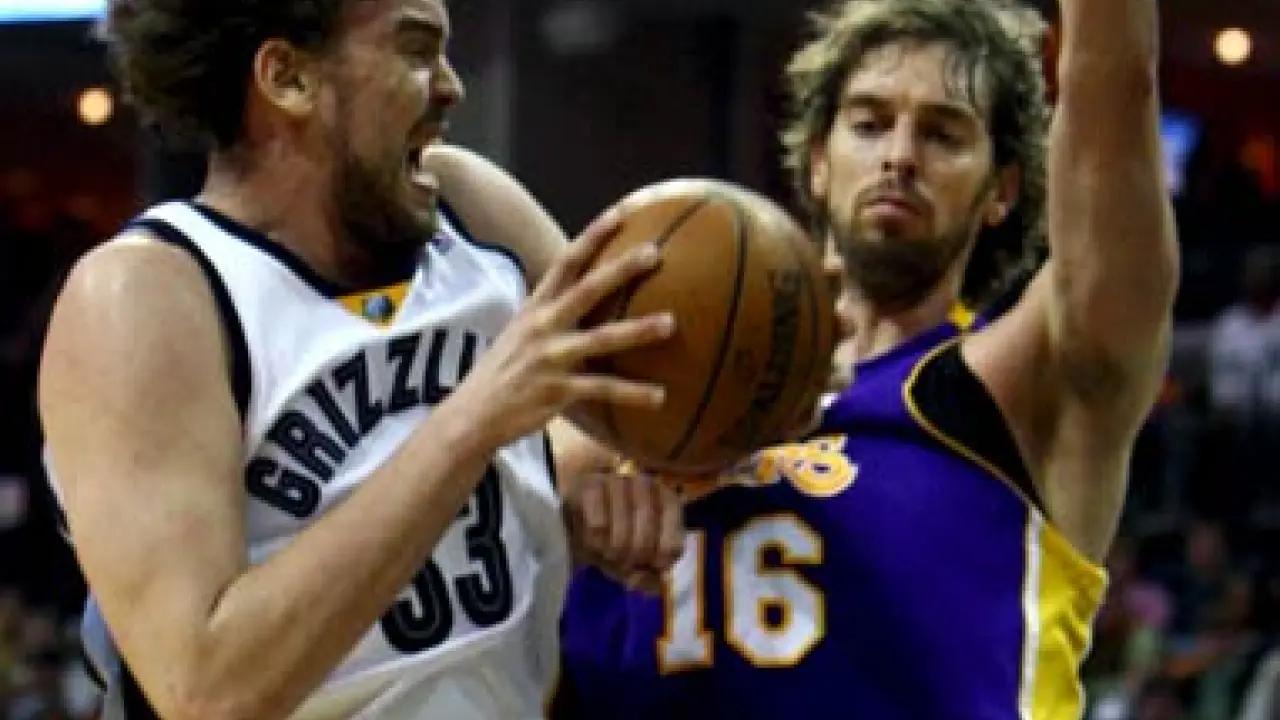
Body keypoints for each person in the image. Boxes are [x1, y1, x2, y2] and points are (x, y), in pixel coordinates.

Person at [38, 1, 685, 718]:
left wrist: (578, 498)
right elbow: (208, 689)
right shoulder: (148, 294)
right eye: (416, 51)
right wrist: (471, 424)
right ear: (287, 78)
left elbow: (623, 410)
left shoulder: (471, 210)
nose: (451, 87)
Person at [554, 0, 1178, 717]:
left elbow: (1113, 82)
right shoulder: (641, 399)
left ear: (1001, 191)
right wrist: (565, 526)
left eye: (943, 134)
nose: (901, 156)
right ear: (820, 162)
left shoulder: (1026, 389)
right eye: (870, 123)